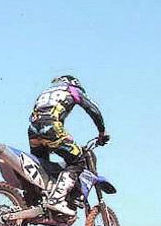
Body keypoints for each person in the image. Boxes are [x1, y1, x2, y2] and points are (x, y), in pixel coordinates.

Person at [28, 75, 109, 216]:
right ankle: (57, 199)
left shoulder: (46, 93)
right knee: (78, 160)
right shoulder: (72, 90)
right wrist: (102, 132)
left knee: (42, 166)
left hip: (33, 131)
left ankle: (35, 198)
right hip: (52, 129)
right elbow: (92, 109)